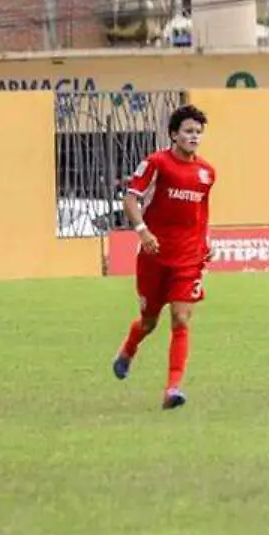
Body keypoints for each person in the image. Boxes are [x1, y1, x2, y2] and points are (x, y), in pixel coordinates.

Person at [111, 105, 215, 410]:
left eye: (198, 132)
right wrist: (143, 231)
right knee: (148, 321)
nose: (193, 137)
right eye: (188, 131)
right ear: (174, 134)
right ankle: (128, 349)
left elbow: (201, 214)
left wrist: (205, 243)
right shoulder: (157, 163)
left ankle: (173, 389)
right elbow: (131, 198)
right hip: (154, 256)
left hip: (188, 258)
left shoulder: (207, 172)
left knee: (181, 318)